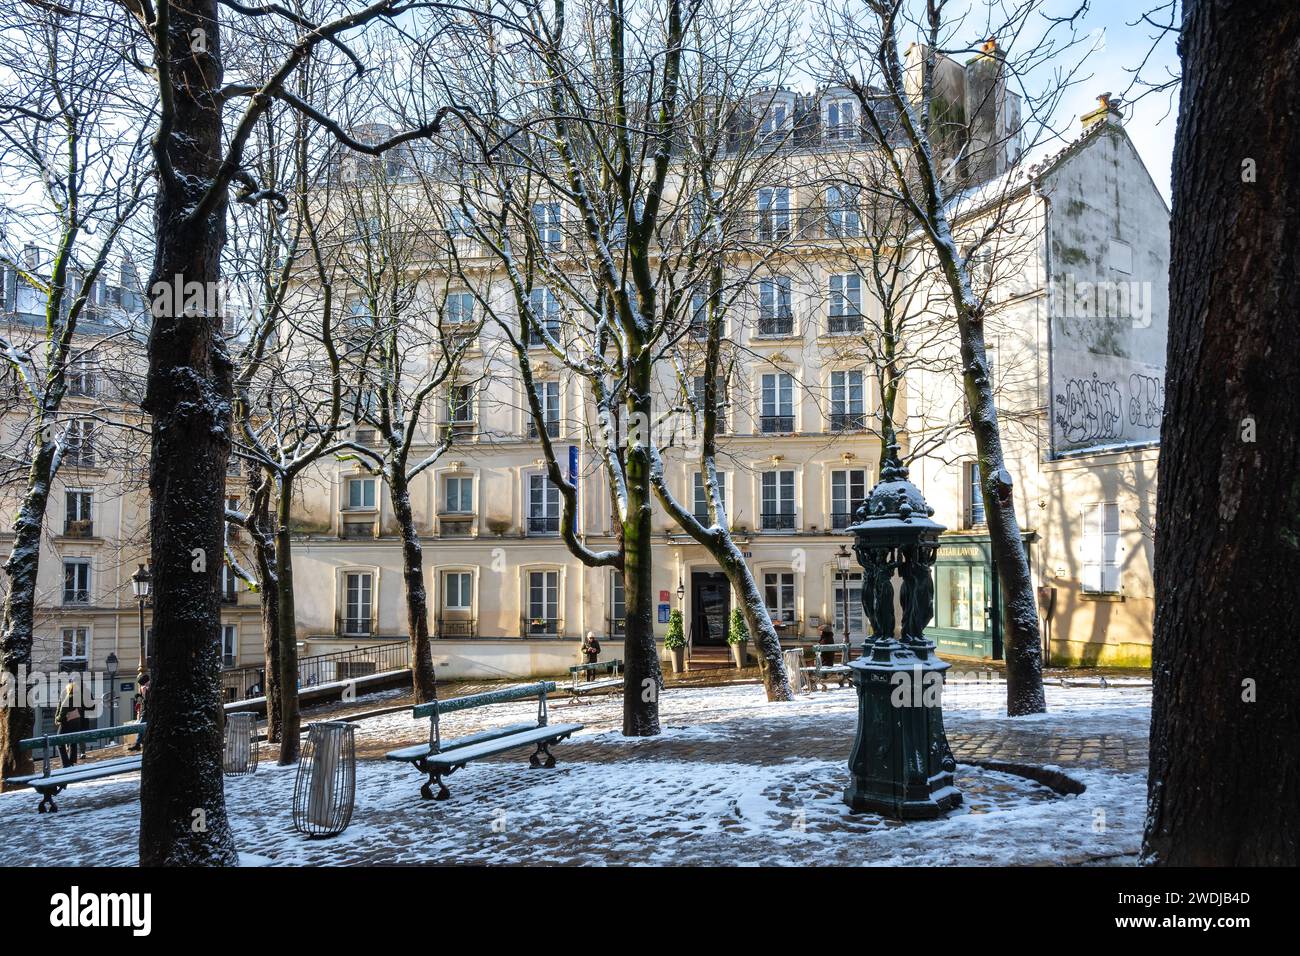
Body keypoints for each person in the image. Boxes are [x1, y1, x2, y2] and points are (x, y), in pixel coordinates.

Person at [53, 680, 82, 767]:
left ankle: (66, 763)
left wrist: (57, 719)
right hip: (76, 722)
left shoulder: (68, 698)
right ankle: (72, 761)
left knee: (59, 741)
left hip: (67, 722)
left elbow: (62, 712)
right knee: (73, 741)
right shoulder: (78, 697)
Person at [128, 673, 150, 751]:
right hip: (145, 711)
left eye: (141, 685)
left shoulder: (147, 689)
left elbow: (147, 700)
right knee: (143, 727)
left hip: (147, 712)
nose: (141, 687)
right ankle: (140, 744)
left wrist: (144, 691)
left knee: (141, 727)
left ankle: (139, 744)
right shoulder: (144, 689)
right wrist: (138, 698)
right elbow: (141, 698)